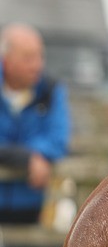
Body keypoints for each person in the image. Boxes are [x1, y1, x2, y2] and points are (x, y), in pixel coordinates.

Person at [0, 24, 71, 225]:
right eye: (28, 57)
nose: (37, 65)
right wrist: (28, 158)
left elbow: (58, 140)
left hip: (30, 205)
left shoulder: (50, 91)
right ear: (6, 60)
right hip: (27, 194)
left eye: (40, 56)